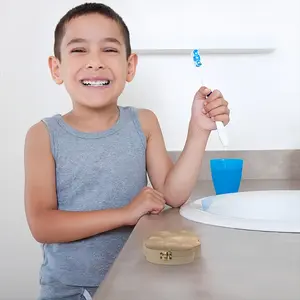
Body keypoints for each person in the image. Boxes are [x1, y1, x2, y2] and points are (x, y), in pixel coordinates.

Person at [24, 2, 230, 299]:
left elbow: (172, 195)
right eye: (79, 50)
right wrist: (124, 214)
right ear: (57, 69)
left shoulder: (144, 122)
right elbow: (43, 225)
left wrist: (198, 130)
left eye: (109, 49)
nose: (95, 62)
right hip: (70, 290)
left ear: (129, 66)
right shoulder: (43, 135)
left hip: (135, 282)